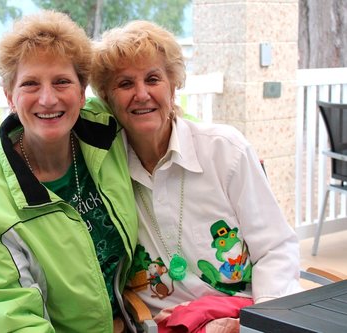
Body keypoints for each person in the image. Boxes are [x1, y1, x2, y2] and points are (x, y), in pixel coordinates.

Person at [90, 20, 302, 329]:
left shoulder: (224, 150)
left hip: (245, 311)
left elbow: (276, 247)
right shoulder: (106, 169)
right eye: (124, 84)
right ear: (107, 98)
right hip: (165, 323)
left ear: (173, 85)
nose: (141, 94)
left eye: (153, 79)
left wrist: (255, 323)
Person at [0, 11, 137, 332]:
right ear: (10, 97)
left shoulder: (105, 132)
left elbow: (163, 120)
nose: (48, 99)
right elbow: (14, 322)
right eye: (30, 84)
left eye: (62, 81)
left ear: (82, 92)